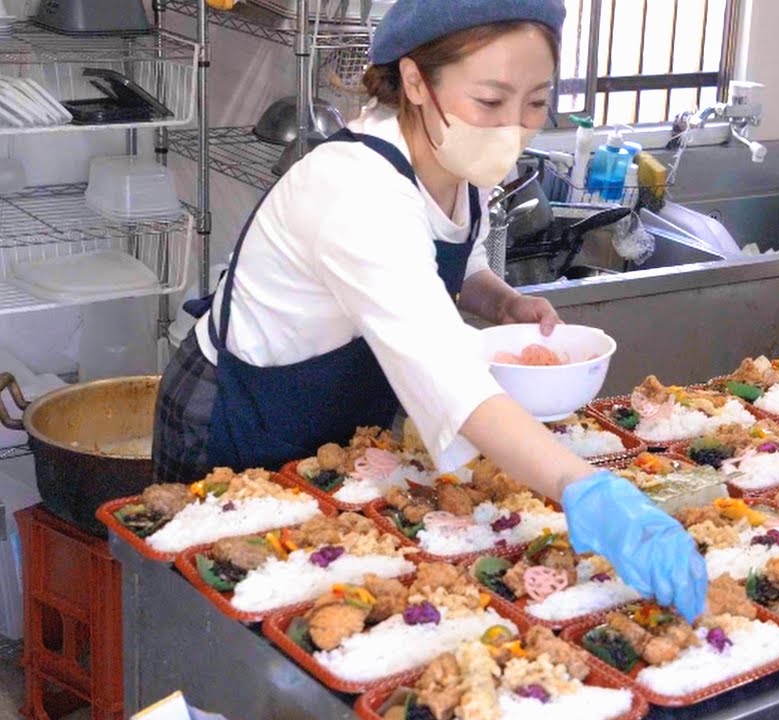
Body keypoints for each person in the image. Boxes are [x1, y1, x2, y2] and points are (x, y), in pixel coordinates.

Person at [151, 0, 706, 620]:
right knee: (216, 609)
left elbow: (457, 258)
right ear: (415, 81)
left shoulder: (455, 158)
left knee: (322, 596)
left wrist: (501, 300)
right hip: (239, 410)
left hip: (335, 414)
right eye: (490, 100)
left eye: (535, 102)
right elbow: (449, 375)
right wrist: (585, 488)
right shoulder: (356, 189)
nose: (513, 128)